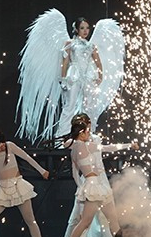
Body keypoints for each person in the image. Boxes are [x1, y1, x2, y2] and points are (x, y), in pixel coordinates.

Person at [16, 9, 124, 142]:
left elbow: (98, 62)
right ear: (77, 29)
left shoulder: (91, 45)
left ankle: (88, 134)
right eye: (82, 28)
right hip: (74, 76)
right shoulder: (70, 44)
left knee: (89, 106)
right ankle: (63, 136)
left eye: (87, 28)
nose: (85, 31)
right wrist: (63, 78)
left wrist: (100, 76)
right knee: (70, 105)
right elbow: (65, 62)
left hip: (88, 77)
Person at [57, 113, 138, 237]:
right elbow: (108, 148)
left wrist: (82, 187)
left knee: (112, 221)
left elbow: (107, 149)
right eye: (86, 130)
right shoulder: (83, 146)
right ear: (81, 133)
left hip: (98, 186)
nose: (89, 131)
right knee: (85, 221)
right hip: (93, 186)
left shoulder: (80, 146)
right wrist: (82, 187)